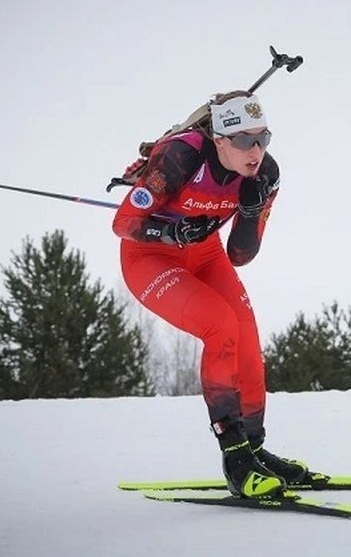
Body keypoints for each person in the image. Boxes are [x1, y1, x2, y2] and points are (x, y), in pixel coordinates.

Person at [112, 91, 310, 499]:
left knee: (247, 340)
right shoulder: (181, 158)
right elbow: (124, 222)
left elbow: (239, 255)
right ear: (219, 139)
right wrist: (171, 231)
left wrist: (251, 212)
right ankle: (235, 457)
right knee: (219, 326)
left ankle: (254, 449)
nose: (255, 150)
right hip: (150, 257)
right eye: (243, 140)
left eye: (263, 138)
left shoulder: (266, 173)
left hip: (205, 254)